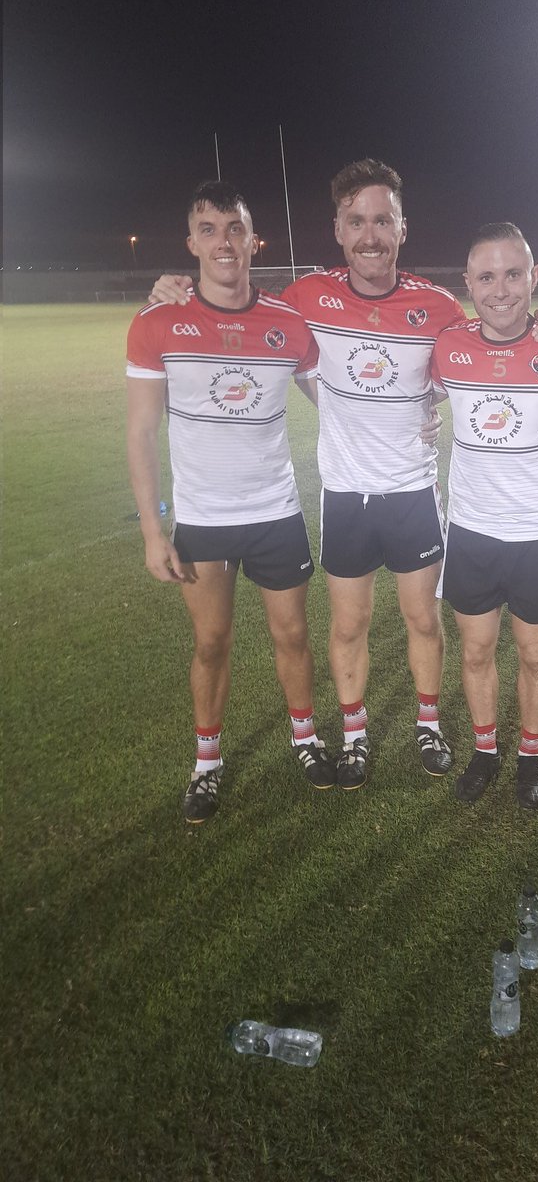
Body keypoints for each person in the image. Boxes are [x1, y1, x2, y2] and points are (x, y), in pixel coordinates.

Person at [150, 159, 538, 791]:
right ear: (339, 230)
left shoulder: (437, 305)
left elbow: (486, 351)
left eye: (382, 219)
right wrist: (165, 291)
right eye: (357, 221)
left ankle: (429, 723)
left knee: (423, 621)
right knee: (348, 624)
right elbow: (232, 302)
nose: (370, 233)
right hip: (345, 495)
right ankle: (355, 735)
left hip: (414, 493)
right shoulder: (304, 297)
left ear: (402, 227)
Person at [127, 181, 332, 823]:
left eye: (235, 228)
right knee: (212, 642)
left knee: (293, 634)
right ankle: (207, 763)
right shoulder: (156, 323)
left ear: (252, 239)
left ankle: (306, 739)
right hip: (203, 520)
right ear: (192, 242)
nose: (224, 240)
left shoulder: (290, 325)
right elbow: (139, 431)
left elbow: (341, 395)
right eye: (209, 229)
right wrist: (152, 532)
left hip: (276, 512)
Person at [431, 223, 538, 808]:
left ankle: (529, 754)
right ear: (468, 283)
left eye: (514, 274)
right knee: (475, 652)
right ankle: (484, 751)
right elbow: (407, 390)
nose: (501, 290)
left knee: (534, 653)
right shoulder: (449, 346)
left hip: (535, 533)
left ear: (534, 276)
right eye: (487, 277)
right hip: (471, 532)